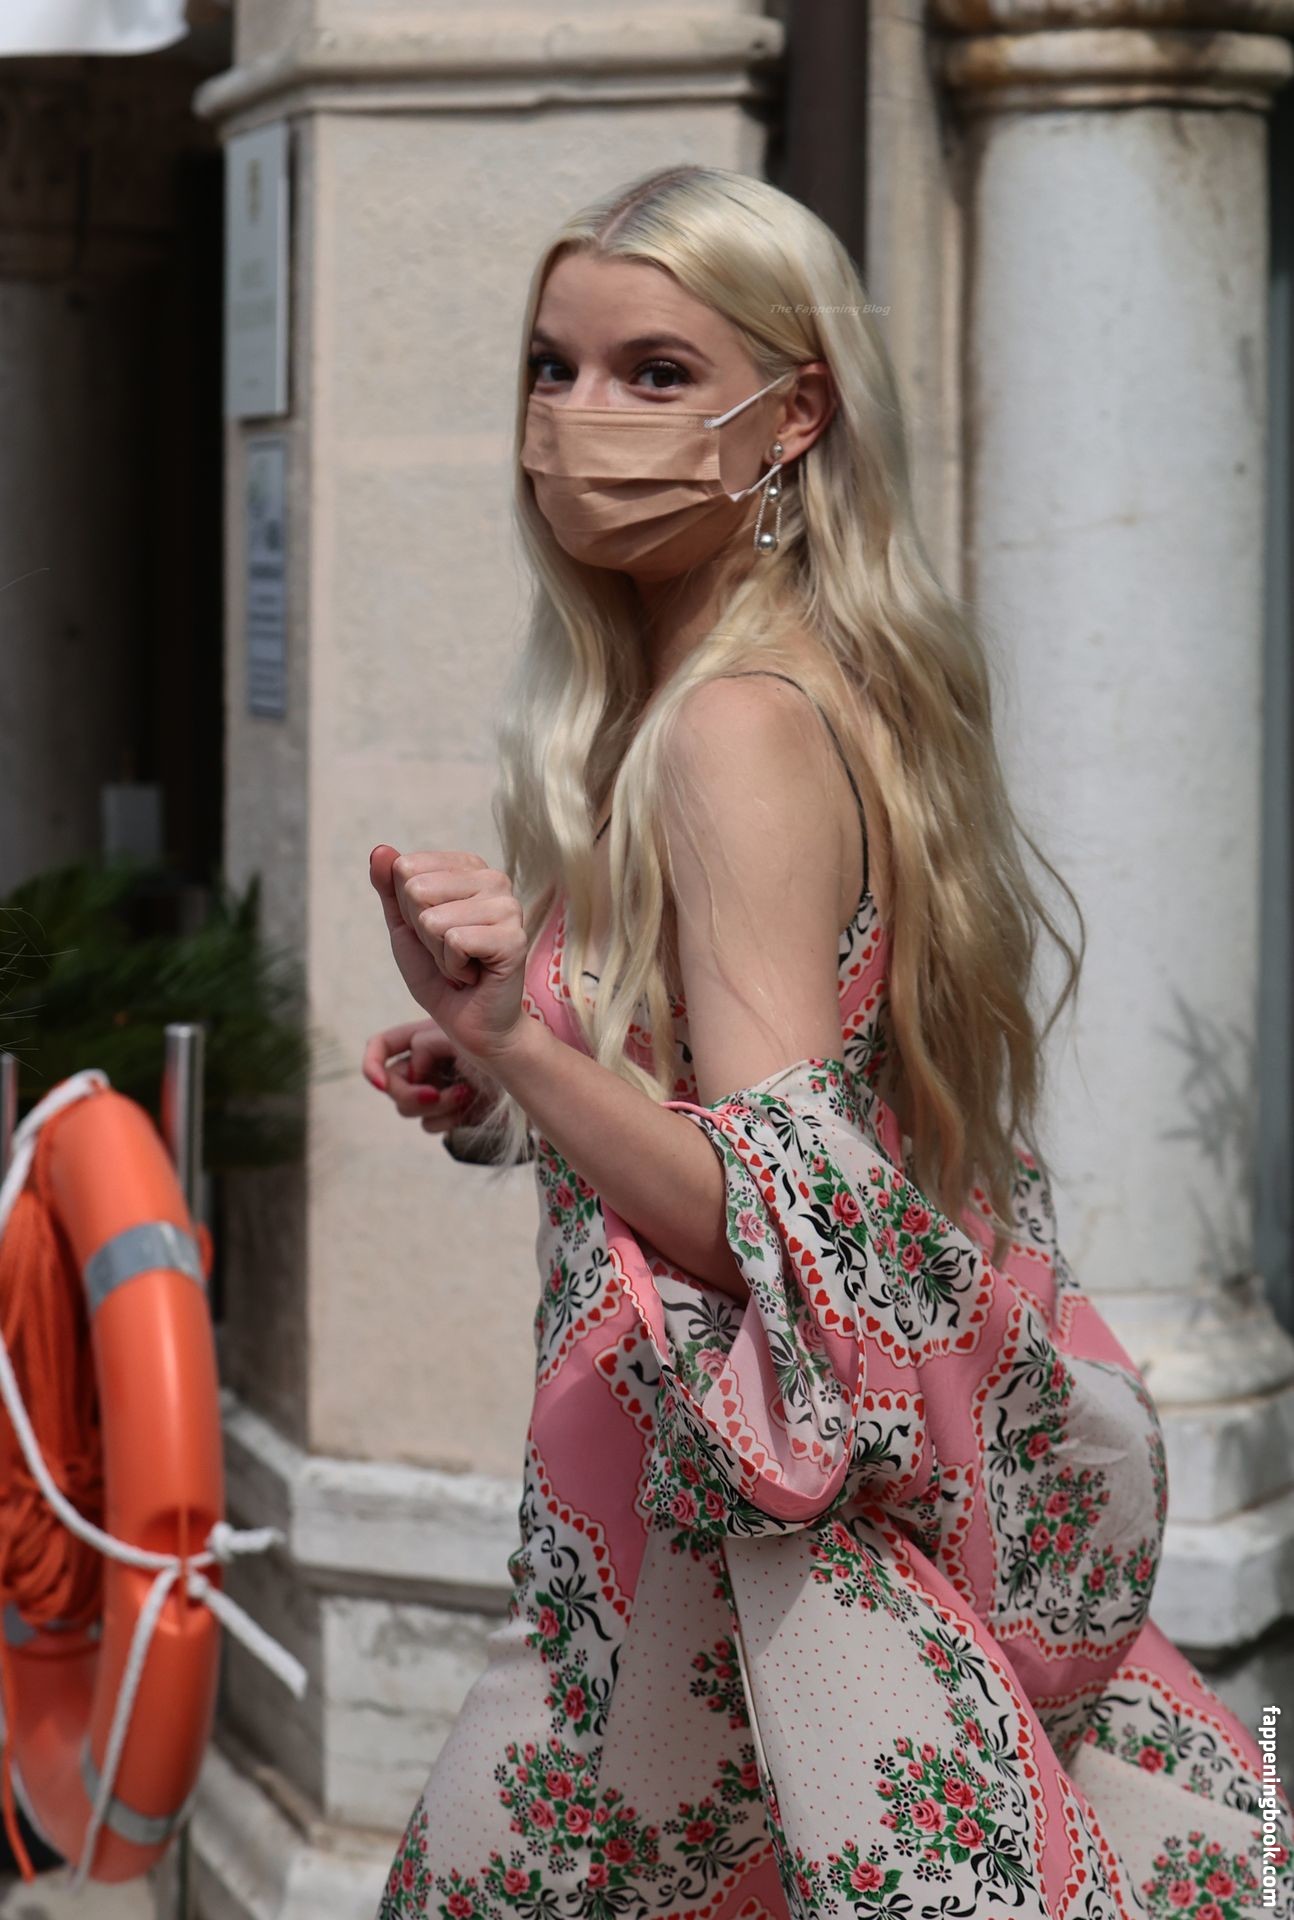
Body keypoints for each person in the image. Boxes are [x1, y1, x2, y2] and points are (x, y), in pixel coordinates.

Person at [361, 164, 1292, 1920]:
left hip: (730, 1556)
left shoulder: (728, 725)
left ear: (791, 414)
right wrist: (508, 1069)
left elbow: (784, 1217)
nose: (576, 418)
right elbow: (779, 1095)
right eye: (552, 367)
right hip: (716, 1517)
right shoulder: (746, 679)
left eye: (654, 372)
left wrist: (525, 1046)